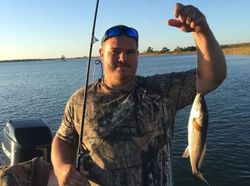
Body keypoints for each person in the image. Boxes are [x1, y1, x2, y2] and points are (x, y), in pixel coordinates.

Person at [51, 3, 226, 186]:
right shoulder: (80, 100)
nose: (123, 58)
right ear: (101, 54)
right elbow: (63, 139)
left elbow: (213, 77)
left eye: (130, 52)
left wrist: (201, 30)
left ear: (137, 55)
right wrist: (61, 168)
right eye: (115, 51)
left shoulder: (161, 90)